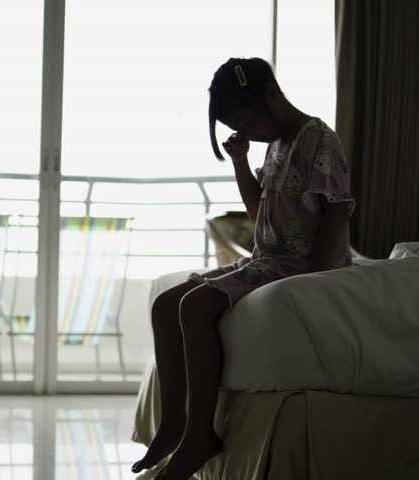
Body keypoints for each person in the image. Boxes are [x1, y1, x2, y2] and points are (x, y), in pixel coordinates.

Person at [132, 57, 356, 480]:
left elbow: (336, 215)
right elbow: (261, 215)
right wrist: (240, 161)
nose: (249, 132)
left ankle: (200, 433)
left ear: (271, 94)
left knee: (195, 307)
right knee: (166, 304)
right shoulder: (274, 146)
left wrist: (317, 282)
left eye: (248, 121)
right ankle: (173, 424)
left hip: (297, 266)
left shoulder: (318, 141)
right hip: (266, 259)